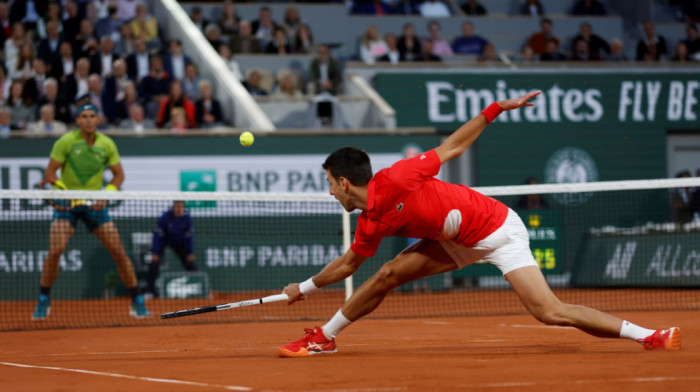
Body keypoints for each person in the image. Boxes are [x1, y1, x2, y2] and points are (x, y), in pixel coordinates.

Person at [277, 91, 681, 357]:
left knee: (550, 312)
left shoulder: (399, 177)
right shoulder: (370, 221)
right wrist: (305, 288)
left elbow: (452, 145)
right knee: (387, 274)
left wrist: (494, 110)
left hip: (498, 229)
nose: (330, 192)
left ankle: (648, 335)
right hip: (455, 241)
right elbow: (348, 266)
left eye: (330, 184)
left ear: (345, 182)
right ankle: (324, 338)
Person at [32, 103, 151, 320]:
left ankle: (137, 300)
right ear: (78, 120)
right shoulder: (66, 141)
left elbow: (118, 175)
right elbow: (50, 172)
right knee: (56, 249)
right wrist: (67, 194)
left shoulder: (106, 144)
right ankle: (43, 298)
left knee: (119, 252)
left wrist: (106, 194)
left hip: (95, 205)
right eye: (84, 116)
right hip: (68, 204)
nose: (88, 120)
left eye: (92, 116)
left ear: (98, 120)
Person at [144, 200, 197, 298]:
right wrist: (155, 252)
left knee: (189, 263)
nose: (179, 209)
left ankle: (198, 288)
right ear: (173, 207)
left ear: (184, 208)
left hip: (179, 242)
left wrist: (190, 252)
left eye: (181, 207)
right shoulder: (165, 217)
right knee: (154, 264)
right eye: (177, 206)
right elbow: (158, 236)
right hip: (164, 241)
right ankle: (149, 292)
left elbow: (189, 237)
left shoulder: (187, 218)